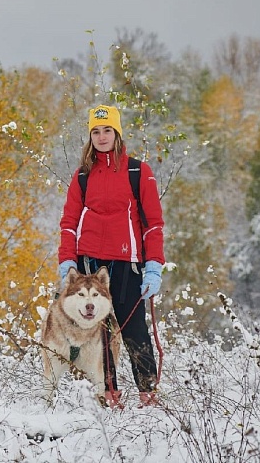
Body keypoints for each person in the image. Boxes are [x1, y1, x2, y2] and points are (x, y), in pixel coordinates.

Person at [57, 104, 165, 408]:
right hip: (90, 265)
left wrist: (154, 266)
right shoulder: (83, 176)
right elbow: (69, 223)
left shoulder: (137, 172)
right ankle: (108, 394)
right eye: (96, 131)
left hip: (127, 264)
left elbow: (153, 224)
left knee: (134, 330)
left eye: (107, 130)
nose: (101, 137)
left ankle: (148, 394)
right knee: (98, 332)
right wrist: (67, 261)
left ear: (117, 134)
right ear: (90, 136)